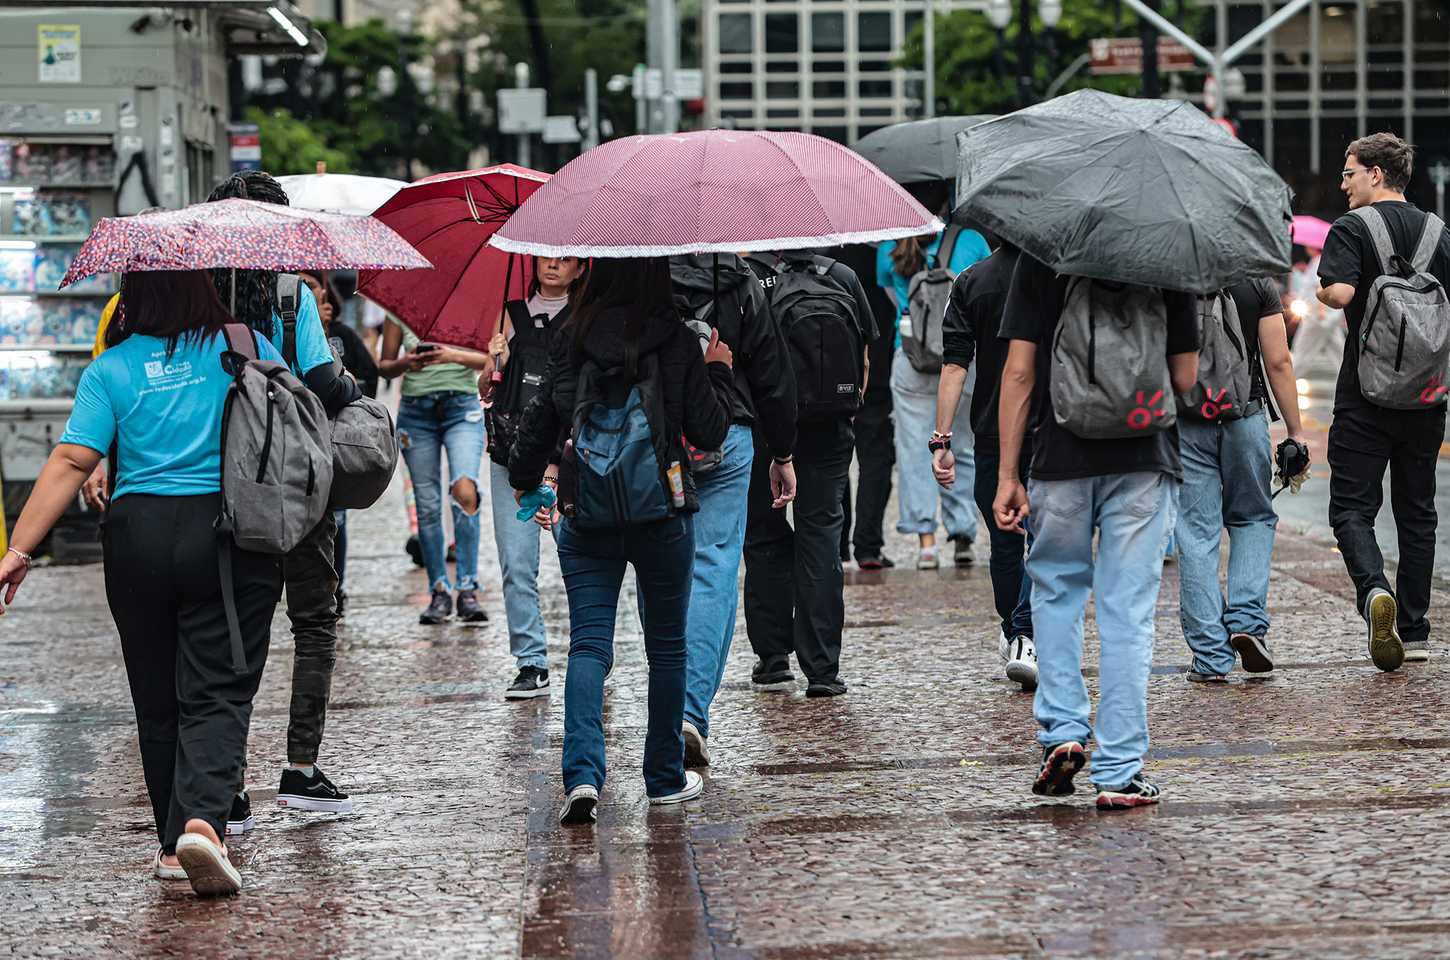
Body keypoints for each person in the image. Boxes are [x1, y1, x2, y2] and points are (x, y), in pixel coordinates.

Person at [0, 271, 287, 896]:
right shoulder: (248, 344)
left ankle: (168, 845)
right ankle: (202, 826)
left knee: (157, 695)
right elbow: (287, 428)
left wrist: (20, 549)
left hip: (137, 536)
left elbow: (73, 458)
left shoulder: (111, 368)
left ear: (132, 300)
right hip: (225, 532)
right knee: (219, 684)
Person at [508, 257, 734, 825]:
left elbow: (536, 431)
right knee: (666, 647)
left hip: (587, 511)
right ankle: (662, 779)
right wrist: (719, 370)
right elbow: (710, 432)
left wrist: (528, 479)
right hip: (662, 509)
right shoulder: (678, 340)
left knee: (588, 644)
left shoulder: (570, 337)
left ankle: (582, 777)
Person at [996, 254, 1198, 809]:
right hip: (1144, 456)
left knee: (1056, 594)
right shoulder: (1167, 257)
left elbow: (1018, 371)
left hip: (1059, 458)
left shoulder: (1042, 255)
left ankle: (1062, 731)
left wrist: (1008, 474)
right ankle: (1120, 771)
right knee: (1127, 612)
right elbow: (1184, 377)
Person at [208, 171, 361, 819]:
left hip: (222, 487)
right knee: (314, 623)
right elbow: (327, 385)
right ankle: (300, 771)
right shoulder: (294, 296)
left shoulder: (194, 299)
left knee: (231, 634)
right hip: (298, 489)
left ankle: (228, 785)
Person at [1317, 132, 1450, 669]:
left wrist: (1323, 291)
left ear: (1375, 174)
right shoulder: (1440, 232)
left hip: (1365, 395)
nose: (1342, 184)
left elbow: (1342, 294)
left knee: (1352, 507)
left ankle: (1375, 591)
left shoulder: (1351, 228)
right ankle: (1414, 629)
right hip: (1426, 394)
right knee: (1417, 511)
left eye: (1349, 173)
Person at [669, 253, 797, 766]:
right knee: (715, 567)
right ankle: (689, 710)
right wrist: (783, 452)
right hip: (729, 429)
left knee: (662, 568)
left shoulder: (635, 266)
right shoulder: (739, 278)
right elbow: (772, 372)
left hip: (657, 432)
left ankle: (671, 706)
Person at [743, 251, 878, 697]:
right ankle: (822, 669)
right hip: (830, 426)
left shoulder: (751, 278)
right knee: (820, 534)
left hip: (766, 425)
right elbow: (862, 360)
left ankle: (773, 657)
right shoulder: (842, 275)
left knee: (764, 533)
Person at [1176, 280, 1307, 681]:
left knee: (1197, 535)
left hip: (1188, 420)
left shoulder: (1173, 274)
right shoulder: (1256, 282)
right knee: (1252, 519)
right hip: (1245, 417)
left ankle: (1211, 658)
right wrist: (1295, 432)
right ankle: (1248, 623)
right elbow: (1278, 361)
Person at [932, 241, 1037, 691]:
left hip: (992, 428)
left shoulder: (972, 281)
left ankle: (1018, 632)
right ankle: (1024, 633)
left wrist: (941, 439)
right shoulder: (1052, 275)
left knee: (1006, 540)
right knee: (1047, 535)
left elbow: (954, 366)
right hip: (1049, 425)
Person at [487, 255, 585, 699]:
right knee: (516, 564)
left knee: (580, 561)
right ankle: (531, 661)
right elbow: (487, 391)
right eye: (548, 256)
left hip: (568, 460)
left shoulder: (585, 316)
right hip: (511, 457)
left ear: (581, 268)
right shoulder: (510, 313)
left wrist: (559, 462)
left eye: (565, 259)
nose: (554, 265)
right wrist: (493, 365)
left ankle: (591, 650)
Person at [877, 227, 991, 569]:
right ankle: (963, 533)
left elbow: (894, 299)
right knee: (962, 446)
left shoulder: (888, 244)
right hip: (961, 359)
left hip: (910, 357)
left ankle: (926, 543)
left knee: (914, 450)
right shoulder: (971, 241)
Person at [377, 316, 494, 625]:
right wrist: (407, 362)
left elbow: (489, 358)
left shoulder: (468, 304)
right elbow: (384, 365)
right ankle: (439, 591)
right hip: (416, 414)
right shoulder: (399, 308)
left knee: (465, 490)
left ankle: (467, 589)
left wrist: (451, 355)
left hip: (462, 407)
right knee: (427, 506)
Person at [298, 270, 379, 620]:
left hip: (329, 438)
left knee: (335, 518)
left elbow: (370, 374)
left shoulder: (342, 335)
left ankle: (334, 586)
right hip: (297, 437)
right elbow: (325, 383)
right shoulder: (287, 322)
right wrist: (343, 384)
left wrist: (353, 400)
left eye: (312, 286)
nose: (307, 292)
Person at [825, 244, 898, 569]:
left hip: (831, 375)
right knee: (876, 460)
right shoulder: (886, 257)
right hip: (878, 370)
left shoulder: (826, 264)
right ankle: (867, 545)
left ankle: (838, 543)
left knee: (835, 460)